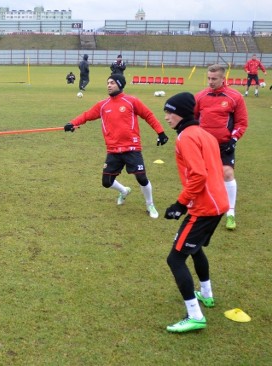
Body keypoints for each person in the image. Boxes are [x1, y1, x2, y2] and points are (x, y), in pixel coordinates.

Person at [161, 92, 229, 333]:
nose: (167, 117)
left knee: (175, 258)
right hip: (218, 204)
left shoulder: (186, 137)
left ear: (182, 113)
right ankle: (207, 295)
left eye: (170, 112)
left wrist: (180, 204)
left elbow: (199, 175)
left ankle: (195, 315)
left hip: (204, 208)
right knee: (195, 248)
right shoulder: (204, 134)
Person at [63, 74, 169, 219]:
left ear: (119, 84)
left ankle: (150, 204)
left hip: (132, 148)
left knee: (141, 178)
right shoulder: (103, 105)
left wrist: (161, 132)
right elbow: (87, 115)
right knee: (106, 182)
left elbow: (148, 115)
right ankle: (124, 190)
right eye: (107, 83)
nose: (109, 85)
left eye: (112, 82)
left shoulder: (131, 101)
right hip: (113, 150)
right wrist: (73, 123)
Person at [195, 64, 248, 230]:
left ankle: (230, 213)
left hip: (225, 144)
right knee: (202, 175)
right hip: (204, 144)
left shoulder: (235, 97)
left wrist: (233, 140)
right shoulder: (200, 97)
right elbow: (193, 118)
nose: (210, 82)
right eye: (208, 78)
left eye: (214, 79)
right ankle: (204, 206)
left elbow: (241, 122)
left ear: (223, 78)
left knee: (227, 173)